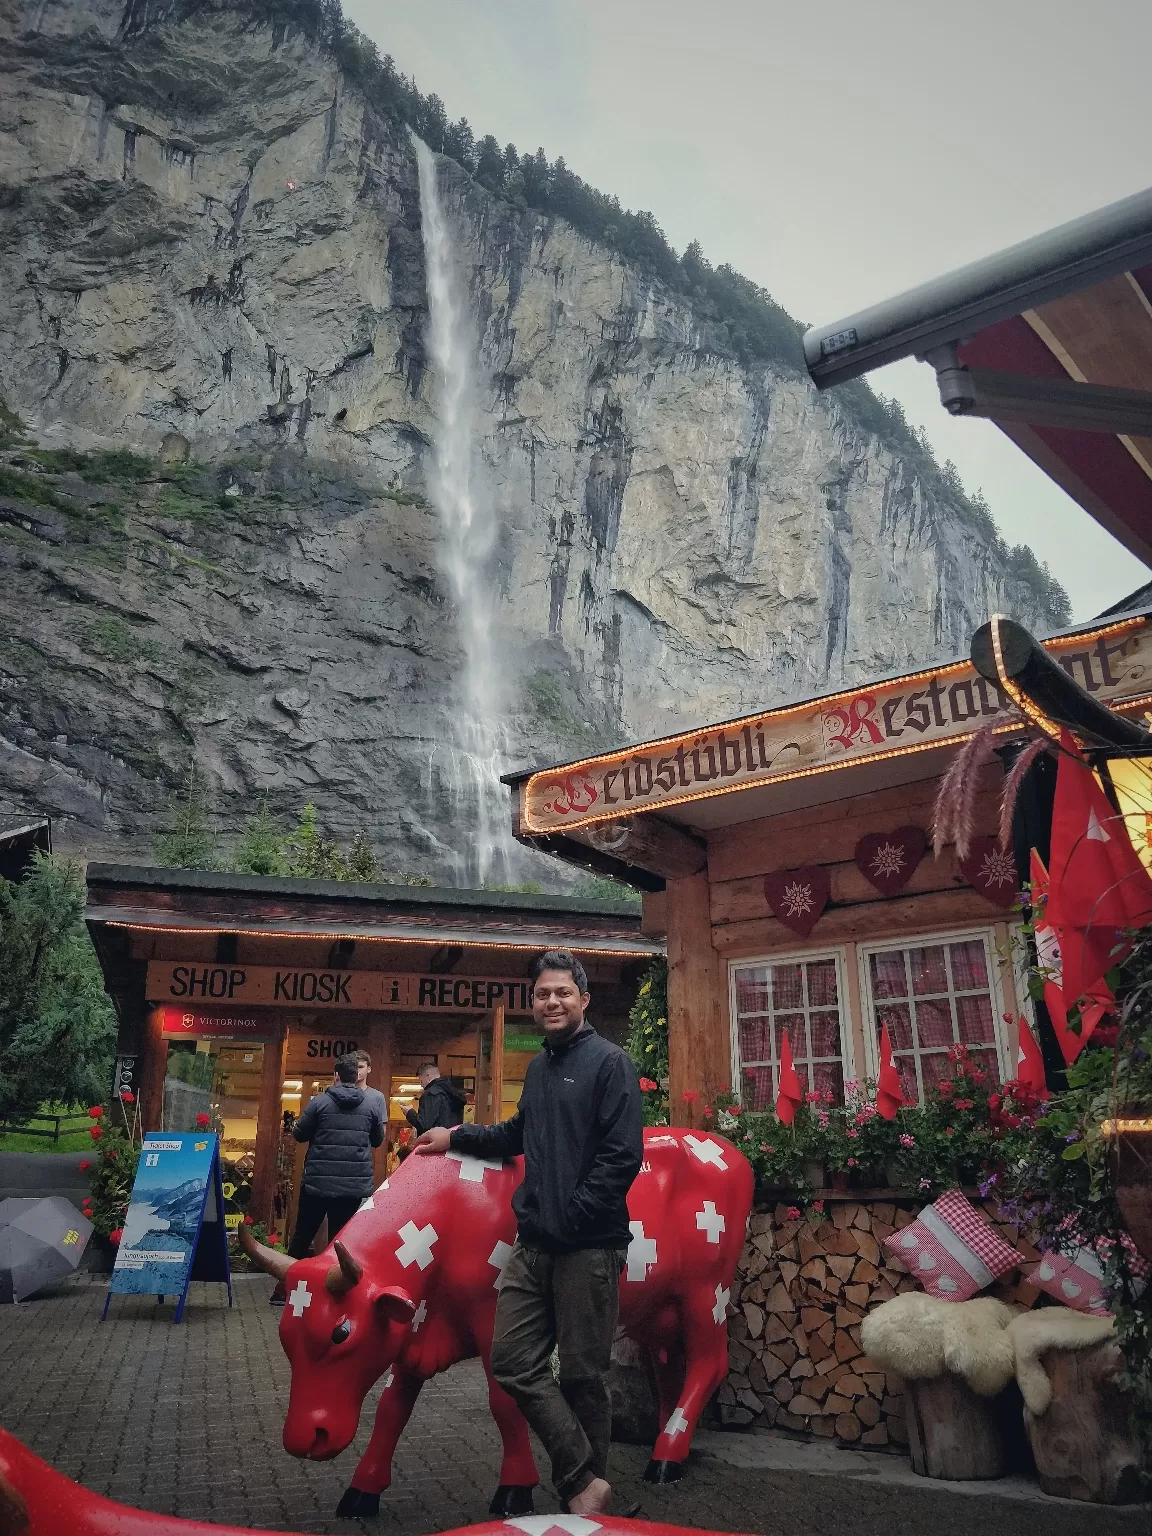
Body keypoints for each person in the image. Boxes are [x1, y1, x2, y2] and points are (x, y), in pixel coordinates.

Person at [415, 949, 642, 1516]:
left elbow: (621, 1157)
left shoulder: (611, 1063)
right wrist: (456, 1136)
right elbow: (517, 1133)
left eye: (562, 992)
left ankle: (589, 1500)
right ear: (533, 1004)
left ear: (583, 1000)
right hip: (535, 1245)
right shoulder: (540, 1068)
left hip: (589, 1247)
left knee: (585, 1376)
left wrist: (570, 1216)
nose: (552, 1002)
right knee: (512, 1360)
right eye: (542, 994)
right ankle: (584, 1481)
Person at [272, 1051, 384, 1304]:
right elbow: (377, 1140)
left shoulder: (319, 1102)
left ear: (335, 1076)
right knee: (340, 1241)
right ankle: (334, 1295)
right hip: (352, 1187)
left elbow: (300, 1134)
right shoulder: (371, 1105)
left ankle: (285, 1291)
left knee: (302, 1236)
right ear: (356, 1076)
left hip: (317, 1184)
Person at [404, 1061, 466, 1133]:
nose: (421, 1085)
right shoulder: (452, 1092)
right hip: (452, 1140)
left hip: (436, 1141)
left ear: (428, 1075)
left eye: (421, 1081)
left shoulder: (431, 1093)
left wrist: (409, 1112)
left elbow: (424, 1125)